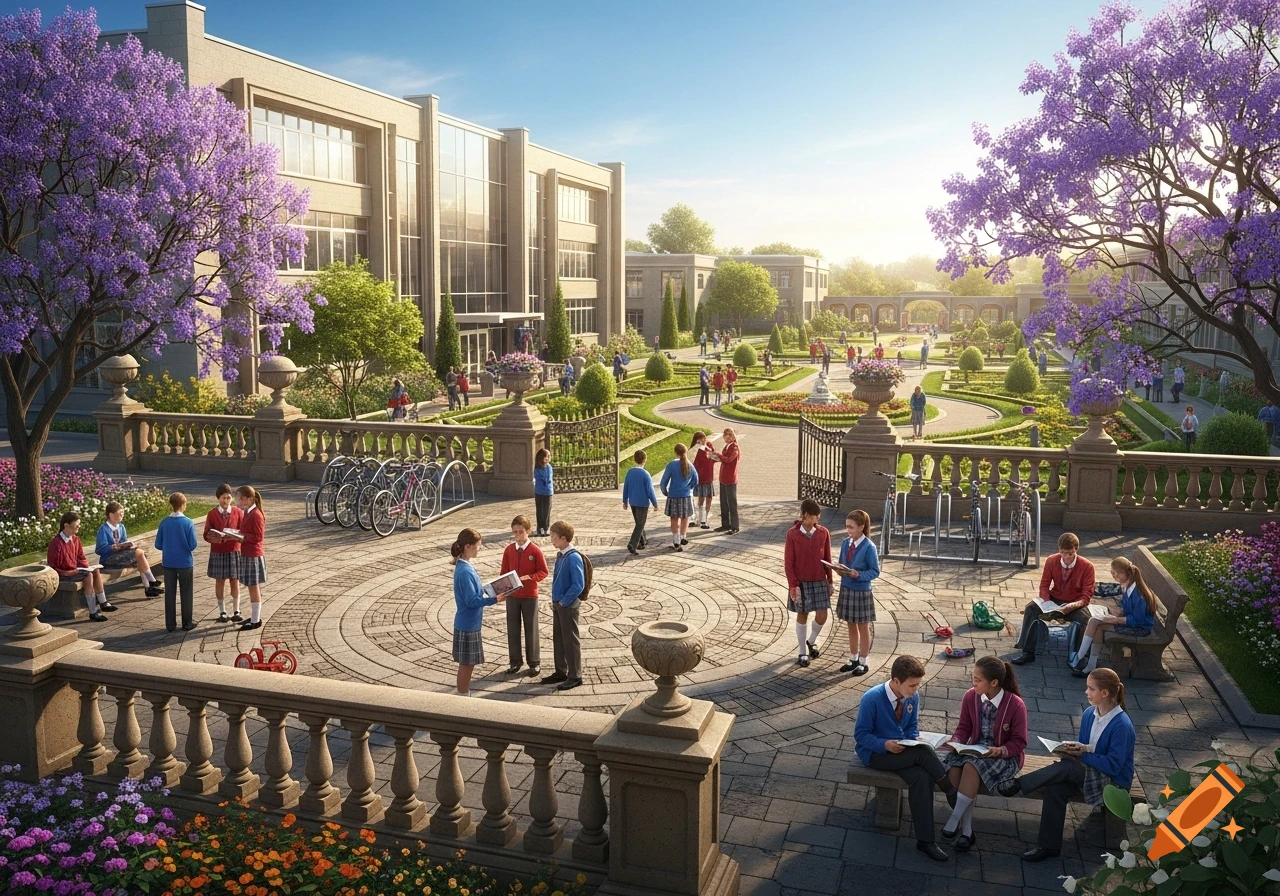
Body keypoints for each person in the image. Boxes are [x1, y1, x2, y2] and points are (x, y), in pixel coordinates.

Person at [998, 668, 1135, 863]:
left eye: (1091, 688)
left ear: (1105, 693)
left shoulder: (1122, 725)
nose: (1086, 692)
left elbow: (1113, 766)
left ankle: (1019, 784)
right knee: (1055, 789)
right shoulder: (1089, 714)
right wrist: (1074, 749)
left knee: (1069, 767)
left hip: (1113, 783)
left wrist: (1081, 755)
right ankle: (1048, 846)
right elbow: (1087, 746)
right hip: (1089, 773)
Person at [853, 655, 959, 862]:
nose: (916, 689)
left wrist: (911, 741)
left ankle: (925, 841)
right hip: (876, 754)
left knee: (922, 777)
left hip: (902, 752)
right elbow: (861, 735)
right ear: (895, 681)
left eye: (918, 684)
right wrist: (885, 744)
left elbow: (911, 726)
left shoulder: (912, 696)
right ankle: (950, 790)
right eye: (912, 685)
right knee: (923, 753)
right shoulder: (871, 698)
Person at [940, 657, 1028, 852]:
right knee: (953, 770)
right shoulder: (970, 697)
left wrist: (1001, 750)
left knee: (971, 767)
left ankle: (955, 820)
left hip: (1003, 756)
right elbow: (964, 727)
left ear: (994, 682)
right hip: (975, 749)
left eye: (977, 680)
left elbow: (1020, 741)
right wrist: (956, 741)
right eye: (973, 678)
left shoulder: (1016, 704)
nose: (973, 683)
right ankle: (967, 832)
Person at [1011, 532, 1095, 664]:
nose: (1066, 557)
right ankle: (1027, 651)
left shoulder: (1087, 566)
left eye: (1070, 553)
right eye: (1063, 553)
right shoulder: (1051, 560)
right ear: (1059, 550)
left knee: (1086, 620)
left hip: (1074, 603)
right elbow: (1044, 585)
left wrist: (1072, 606)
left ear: (1076, 550)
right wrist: (1047, 601)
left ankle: (1079, 657)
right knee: (1031, 608)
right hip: (1055, 599)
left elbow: (1086, 597)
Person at [1071, 556, 1157, 677]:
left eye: (1116, 574)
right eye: (1112, 573)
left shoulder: (1140, 595)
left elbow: (1138, 620)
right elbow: (1126, 606)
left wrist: (1116, 620)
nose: (1114, 576)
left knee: (1095, 621)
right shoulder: (1128, 586)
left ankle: (1078, 659)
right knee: (1096, 624)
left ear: (1126, 573)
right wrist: (1119, 610)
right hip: (1130, 621)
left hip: (1141, 629)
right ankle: (1089, 665)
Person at [450, 527, 503, 696]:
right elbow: (471, 601)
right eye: (478, 545)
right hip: (467, 624)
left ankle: (463, 693)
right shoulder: (465, 571)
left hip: (468, 622)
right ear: (468, 546)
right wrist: (495, 599)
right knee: (467, 663)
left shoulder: (464, 566)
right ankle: (463, 694)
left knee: (468, 662)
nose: (479, 548)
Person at [784, 498, 832, 667]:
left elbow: (827, 559)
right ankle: (802, 652)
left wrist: (830, 581)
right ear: (804, 515)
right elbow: (789, 563)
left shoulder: (823, 533)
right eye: (813, 516)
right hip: (801, 582)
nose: (816, 519)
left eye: (818, 516)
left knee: (823, 614)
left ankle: (811, 641)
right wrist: (793, 585)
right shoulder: (792, 534)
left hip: (819, 580)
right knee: (802, 614)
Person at [500, 515, 549, 677]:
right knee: (513, 629)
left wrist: (531, 577)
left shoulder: (535, 550)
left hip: (529, 596)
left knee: (531, 629)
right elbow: (504, 572)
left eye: (521, 531)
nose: (517, 535)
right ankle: (515, 662)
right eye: (515, 532)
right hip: (512, 596)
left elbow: (543, 571)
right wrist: (503, 590)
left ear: (528, 531)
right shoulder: (508, 550)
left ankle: (534, 662)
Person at [47, 511, 113, 622]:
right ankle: (93, 611)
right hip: (63, 574)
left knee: (95, 571)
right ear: (66, 525)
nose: (78, 527)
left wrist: (87, 566)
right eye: (76, 525)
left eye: (79, 525)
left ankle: (103, 602)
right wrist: (68, 572)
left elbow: (81, 557)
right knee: (88, 576)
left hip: (75, 571)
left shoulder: (75, 539)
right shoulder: (56, 543)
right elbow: (53, 566)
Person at [835, 509, 878, 677]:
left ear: (861, 527)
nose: (848, 530)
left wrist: (858, 574)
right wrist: (838, 569)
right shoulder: (845, 543)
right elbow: (842, 563)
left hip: (861, 592)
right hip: (846, 588)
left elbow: (875, 571)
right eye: (847, 527)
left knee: (863, 627)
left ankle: (863, 661)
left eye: (851, 527)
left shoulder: (869, 547)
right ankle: (853, 658)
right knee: (850, 625)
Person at [543, 520, 585, 691]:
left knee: (570, 641)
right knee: (559, 639)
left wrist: (563, 602)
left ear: (563, 538)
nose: (551, 539)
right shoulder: (561, 555)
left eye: (554, 537)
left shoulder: (573, 557)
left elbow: (578, 584)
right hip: (559, 604)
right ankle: (561, 671)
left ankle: (575, 676)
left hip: (567, 605)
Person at [96, 501, 162, 596]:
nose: (122, 515)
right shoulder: (103, 529)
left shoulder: (121, 527)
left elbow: (124, 542)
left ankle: (148, 587)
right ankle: (151, 583)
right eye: (120, 513)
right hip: (108, 559)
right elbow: (99, 549)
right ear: (111, 515)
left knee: (140, 556)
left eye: (123, 513)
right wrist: (113, 547)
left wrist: (127, 545)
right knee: (140, 554)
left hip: (121, 557)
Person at [154, 492, 198, 633]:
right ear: (183, 505)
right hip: (184, 562)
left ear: (171, 505)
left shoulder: (164, 522)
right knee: (186, 591)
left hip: (168, 562)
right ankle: (187, 622)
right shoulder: (188, 523)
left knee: (170, 592)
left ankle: (170, 624)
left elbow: (158, 544)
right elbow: (193, 545)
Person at [203, 483, 242, 623]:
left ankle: (236, 610)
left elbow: (243, 531)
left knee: (234, 580)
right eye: (223, 498)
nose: (226, 501)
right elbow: (206, 534)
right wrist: (215, 537)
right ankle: (222, 611)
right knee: (220, 580)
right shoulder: (212, 514)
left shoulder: (238, 512)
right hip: (218, 551)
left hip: (234, 550)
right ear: (218, 498)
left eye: (228, 498)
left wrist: (234, 535)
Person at [235, 485, 268, 631]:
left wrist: (242, 537)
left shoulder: (255, 514)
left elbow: (258, 537)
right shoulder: (248, 512)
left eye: (241, 498)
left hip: (253, 554)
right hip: (248, 552)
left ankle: (255, 620)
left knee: (253, 587)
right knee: (252, 587)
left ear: (249, 499)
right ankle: (255, 616)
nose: (239, 501)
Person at [660, 443, 699, 551]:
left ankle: (676, 539)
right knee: (685, 518)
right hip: (686, 496)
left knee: (674, 518)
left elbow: (663, 482)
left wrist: (665, 492)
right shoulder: (690, 465)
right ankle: (683, 536)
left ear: (675, 452)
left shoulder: (671, 465)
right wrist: (689, 488)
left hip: (673, 495)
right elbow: (696, 480)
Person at [622, 449, 659, 554]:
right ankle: (632, 544)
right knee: (640, 524)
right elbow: (650, 491)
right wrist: (655, 503)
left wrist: (625, 501)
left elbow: (626, 487)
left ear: (635, 459)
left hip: (633, 502)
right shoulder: (645, 474)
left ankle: (642, 542)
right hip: (642, 503)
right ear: (645, 460)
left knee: (639, 522)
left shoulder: (630, 472)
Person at [691, 431, 718, 530]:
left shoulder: (708, 447)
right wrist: (703, 448)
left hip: (709, 477)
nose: (703, 441)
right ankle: (700, 519)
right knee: (701, 498)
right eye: (701, 439)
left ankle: (704, 518)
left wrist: (709, 448)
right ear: (697, 441)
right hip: (701, 478)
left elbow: (713, 457)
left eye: (704, 438)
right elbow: (697, 462)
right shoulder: (696, 450)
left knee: (709, 497)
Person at [716, 428, 741, 534]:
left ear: (732, 436)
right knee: (723, 503)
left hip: (730, 479)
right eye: (725, 435)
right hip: (723, 478)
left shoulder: (735, 447)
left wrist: (718, 455)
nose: (727, 437)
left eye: (729, 435)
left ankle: (735, 526)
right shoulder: (727, 446)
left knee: (732, 503)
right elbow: (724, 459)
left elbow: (729, 459)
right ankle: (725, 524)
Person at [533, 448, 553, 537]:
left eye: (549, 456)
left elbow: (548, 478)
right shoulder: (537, 468)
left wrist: (545, 480)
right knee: (540, 510)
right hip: (539, 491)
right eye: (546, 456)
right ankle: (539, 527)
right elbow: (538, 477)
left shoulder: (549, 467)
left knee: (546, 510)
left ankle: (546, 527)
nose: (548, 458)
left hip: (548, 491)